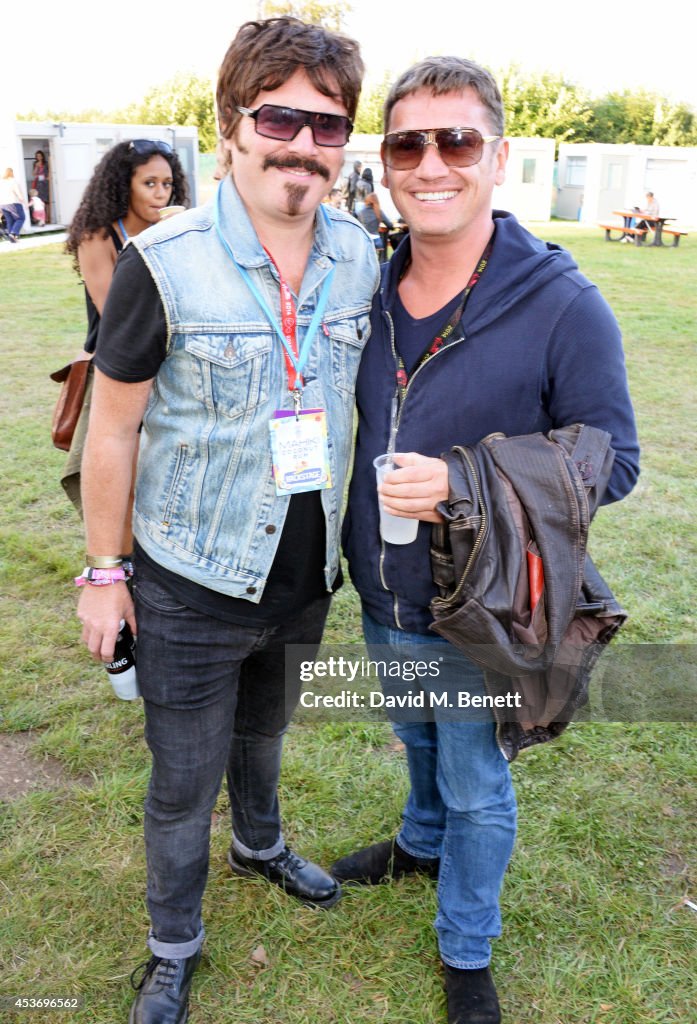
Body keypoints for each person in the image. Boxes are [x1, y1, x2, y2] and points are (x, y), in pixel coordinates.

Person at [76, 17, 377, 1024]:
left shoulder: (361, 254)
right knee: (180, 780)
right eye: (280, 115)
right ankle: (173, 947)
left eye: (327, 124)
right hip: (190, 580)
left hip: (303, 580)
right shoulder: (162, 263)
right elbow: (112, 431)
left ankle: (259, 845)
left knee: (265, 736)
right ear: (233, 124)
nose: (302, 143)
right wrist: (105, 574)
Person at [334, 56, 640, 1023]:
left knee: (476, 783)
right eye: (407, 143)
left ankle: (467, 946)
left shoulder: (561, 303)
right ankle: (417, 845)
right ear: (385, 161)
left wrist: (464, 481)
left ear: (497, 157)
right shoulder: (368, 287)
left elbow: (613, 460)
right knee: (418, 736)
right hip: (380, 583)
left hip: (480, 605)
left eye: (456, 140)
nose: (432, 164)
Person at [62, 140, 189, 521]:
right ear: (123, 185)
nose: (160, 193)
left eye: (167, 184)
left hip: (172, 369)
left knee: (162, 477)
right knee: (121, 478)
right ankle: (115, 567)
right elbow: (117, 316)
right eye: (149, 183)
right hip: (118, 371)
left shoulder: (176, 232)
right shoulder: (97, 237)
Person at [353, 166, 393, 261]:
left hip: (363, 240)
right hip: (376, 241)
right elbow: (390, 225)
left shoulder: (360, 212)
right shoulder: (379, 212)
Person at [0, 168, 27, 242]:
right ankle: (14, 233)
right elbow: (18, 193)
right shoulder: (13, 181)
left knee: (10, 221)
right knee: (21, 218)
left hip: (3, 204)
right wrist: (25, 203)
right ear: (12, 173)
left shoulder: (1, 182)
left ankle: (12, 240)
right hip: (13, 203)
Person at [31, 150, 50, 221]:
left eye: (40, 156)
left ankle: (47, 217)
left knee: (46, 200)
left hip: (45, 183)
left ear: (42, 156)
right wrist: (36, 166)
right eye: (37, 156)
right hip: (38, 183)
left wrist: (48, 177)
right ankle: (39, 218)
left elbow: (49, 172)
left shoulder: (46, 163)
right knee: (39, 201)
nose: (39, 157)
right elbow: (33, 174)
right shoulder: (35, 163)